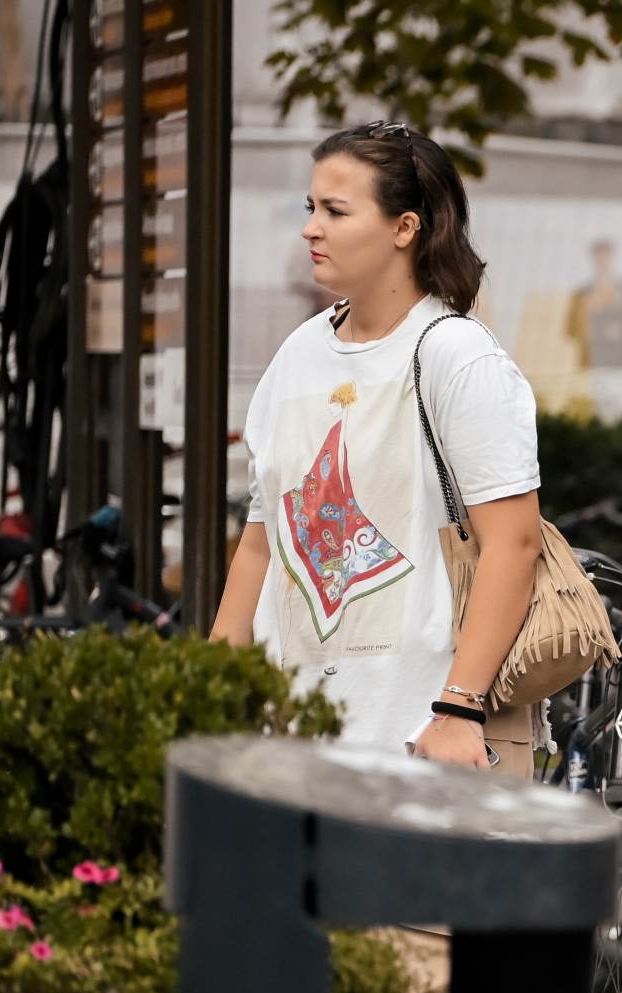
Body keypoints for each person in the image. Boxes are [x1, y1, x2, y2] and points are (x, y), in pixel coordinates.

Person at [210, 120, 544, 778]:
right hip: (288, 740)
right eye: (311, 207)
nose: (311, 228)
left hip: (415, 741)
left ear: (404, 228)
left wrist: (458, 709)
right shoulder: (297, 355)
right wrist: (214, 687)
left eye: (336, 211)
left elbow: (514, 542)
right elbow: (261, 542)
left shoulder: (456, 354)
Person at [566, 238, 622, 370]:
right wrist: (588, 312)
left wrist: (619, 327)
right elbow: (570, 329)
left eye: (606, 256)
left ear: (613, 257)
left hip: (618, 361)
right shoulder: (581, 294)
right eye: (599, 256)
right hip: (589, 363)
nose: (603, 261)